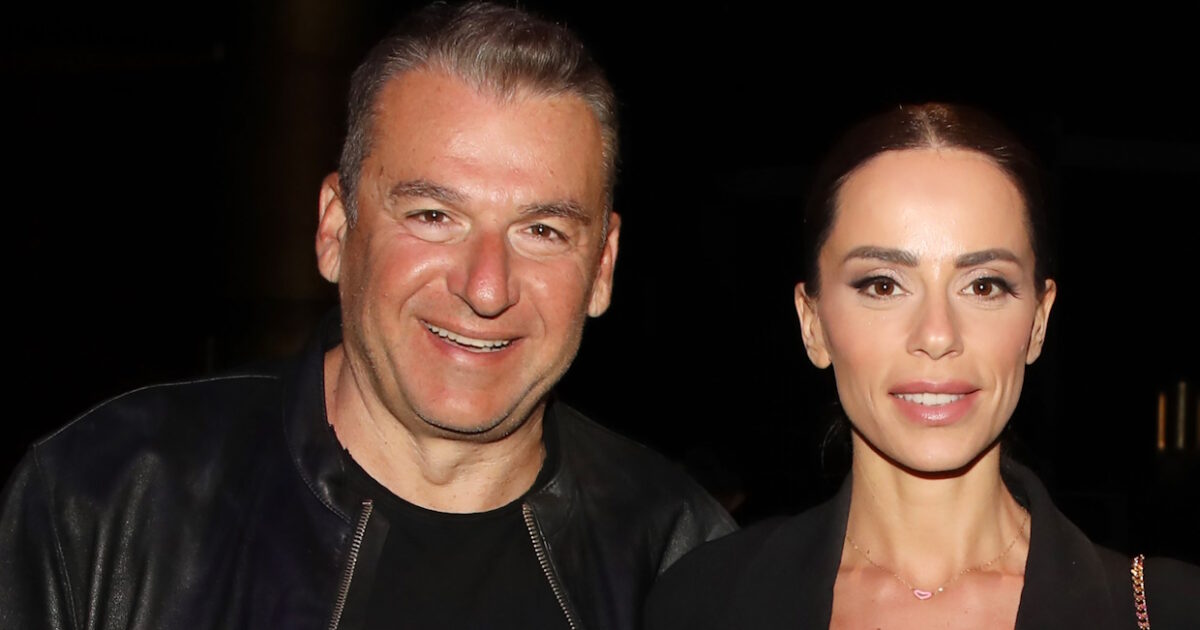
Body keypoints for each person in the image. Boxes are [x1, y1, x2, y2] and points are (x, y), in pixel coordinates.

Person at [0, 4, 734, 629]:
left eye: (541, 230)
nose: (486, 288)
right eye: (433, 215)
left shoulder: (689, 564)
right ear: (335, 229)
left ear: (602, 266)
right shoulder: (103, 504)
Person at [645, 104, 1200, 629]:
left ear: (1038, 321)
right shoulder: (702, 602)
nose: (937, 335)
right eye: (883, 285)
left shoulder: (1171, 611)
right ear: (812, 323)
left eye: (983, 286)